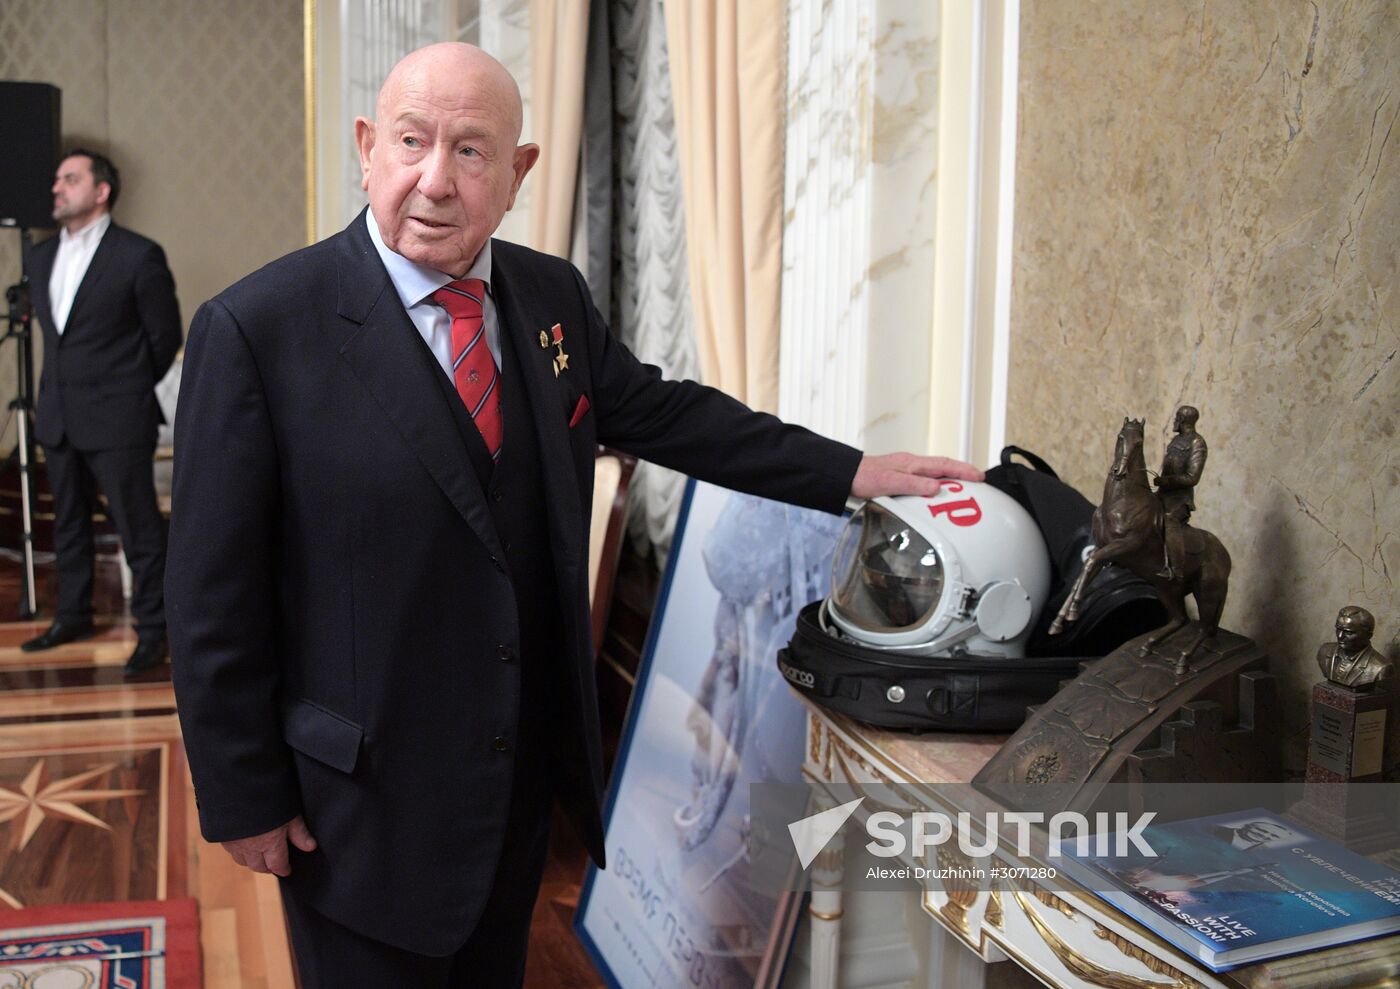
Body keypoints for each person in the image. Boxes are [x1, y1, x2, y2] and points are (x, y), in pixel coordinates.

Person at [166, 43, 982, 988]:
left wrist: (853, 471)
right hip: (361, 810)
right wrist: (243, 796)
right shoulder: (259, 329)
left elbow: (670, 413)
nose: (435, 179)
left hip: (513, 789)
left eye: (471, 152)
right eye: (411, 141)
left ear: (519, 174)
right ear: (366, 148)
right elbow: (211, 595)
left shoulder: (548, 299)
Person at [23, 149, 182, 677]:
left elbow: (165, 338)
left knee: (139, 532)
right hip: (59, 415)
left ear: (101, 191)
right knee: (68, 526)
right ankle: (73, 616)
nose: (56, 188)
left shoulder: (138, 255)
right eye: (56, 179)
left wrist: (125, 391)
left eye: (69, 179)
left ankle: (154, 633)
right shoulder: (41, 258)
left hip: (118, 418)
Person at [1317, 605, 1392, 691]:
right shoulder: (1324, 651)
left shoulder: (1380, 667)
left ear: (1368, 635)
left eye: (1348, 632)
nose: (1340, 636)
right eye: (1338, 629)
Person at [1154, 405, 1207, 525]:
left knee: (1168, 523)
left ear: (1182, 419)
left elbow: (1192, 478)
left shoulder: (1197, 442)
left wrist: (1166, 481)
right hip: (1162, 495)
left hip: (1179, 501)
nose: (1174, 421)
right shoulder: (1176, 440)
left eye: (1177, 417)